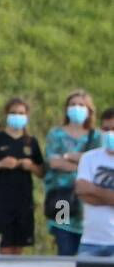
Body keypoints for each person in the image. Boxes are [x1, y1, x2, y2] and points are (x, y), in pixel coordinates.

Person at [0, 98, 43, 254]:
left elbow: (42, 172)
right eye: (13, 113)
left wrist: (30, 166)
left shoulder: (31, 142)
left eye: (21, 113)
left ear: (26, 116)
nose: (17, 116)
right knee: (4, 245)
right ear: (6, 115)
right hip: (2, 201)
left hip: (24, 200)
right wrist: (0, 164)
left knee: (19, 245)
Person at [43, 90, 98, 256]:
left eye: (81, 105)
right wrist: (80, 162)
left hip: (87, 200)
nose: (76, 108)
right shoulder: (56, 134)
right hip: (61, 198)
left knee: (86, 250)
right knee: (64, 245)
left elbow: (97, 163)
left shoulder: (96, 136)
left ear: (89, 110)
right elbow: (53, 162)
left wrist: (67, 157)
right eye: (73, 104)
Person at [75, 107, 114, 258]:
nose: (110, 133)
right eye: (106, 129)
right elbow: (81, 191)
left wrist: (93, 189)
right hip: (90, 241)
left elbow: (88, 190)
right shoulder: (89, 158)